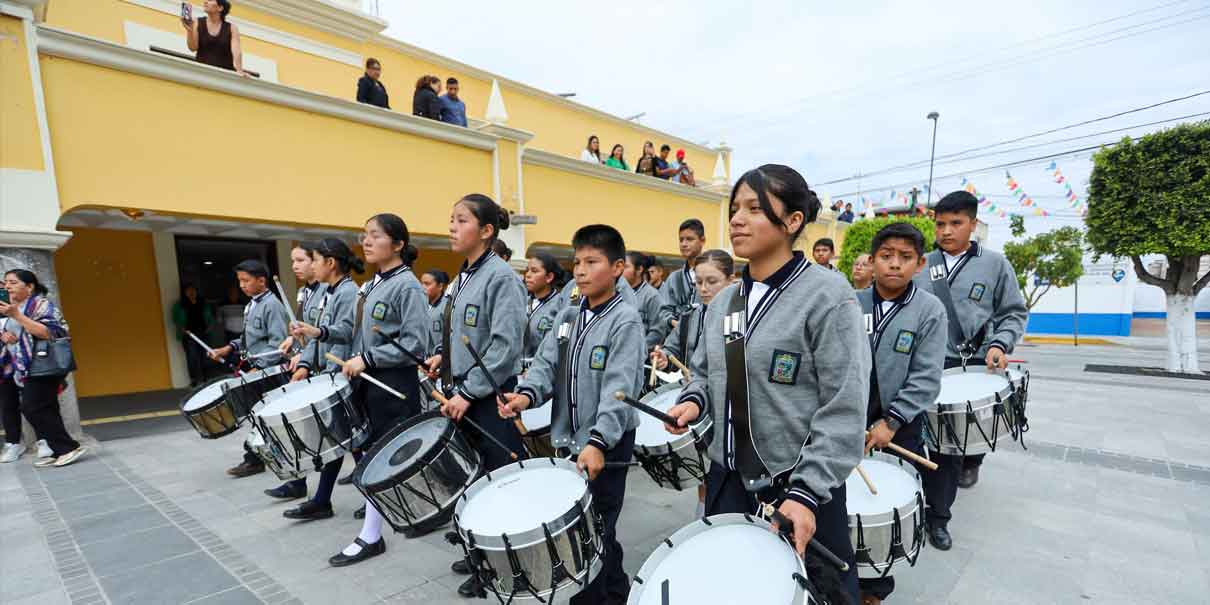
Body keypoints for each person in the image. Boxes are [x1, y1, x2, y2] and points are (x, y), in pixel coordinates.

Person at [664, 165, 869, 604]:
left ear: (793, 221)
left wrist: (808, 492)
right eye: (735, 208)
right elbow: (703, 370)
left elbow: (844, 407)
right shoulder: (722, 302)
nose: (737, 219)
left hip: (796, 488)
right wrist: (694, 401)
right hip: (729, 481)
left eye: (754, 209)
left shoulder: (828, 296)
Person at [502, 224, 643, 605]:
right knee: (595, 528)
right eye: (577, 262)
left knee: (591, 532)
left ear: (617, 268)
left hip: (606, 444)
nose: (580, 270)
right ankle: (619, 591)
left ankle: (594, 598)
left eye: (592, 262)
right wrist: (525, 397)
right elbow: (547, 364)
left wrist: (598, 442)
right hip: (569, 438)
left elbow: (620, 391)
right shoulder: (567, 315)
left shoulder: (625, 320)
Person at [423, 194, 527, 598]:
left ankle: (505, 566)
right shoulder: (464, 275)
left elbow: (504, 347)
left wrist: (468, 390)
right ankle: (481, 553)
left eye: (461, 220)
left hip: (488, 399)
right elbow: (467, 336)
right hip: (463, 392)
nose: (451, 226)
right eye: (450, 219)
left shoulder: (500, 277)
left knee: (496, 483)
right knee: (473, 480)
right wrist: (442, 359)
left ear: (486, 231)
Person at [911, 190, 1028, 551]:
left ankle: (938, 518)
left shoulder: (994, 264)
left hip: (976, 365)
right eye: (940, 224)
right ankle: (915, 506)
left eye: (955, 223)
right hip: (928, 367)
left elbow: (1013, 311)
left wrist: (1000, 343)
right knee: (921, 444)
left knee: (950, 448)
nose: (946, 231)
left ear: (973, 225)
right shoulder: (920, 264)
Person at [855, 223, 947, 605]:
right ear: (873, 260)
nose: (894, 264)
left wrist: (890, 421)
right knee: (845, 502)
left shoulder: (929, 310)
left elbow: (926, 378)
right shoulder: (851, 303)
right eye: (886, 256)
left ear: (920, 263)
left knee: (885, 506)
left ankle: (875, 588)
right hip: (850, 422)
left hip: (898, 428)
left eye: (905, 257)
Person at [283, 238, 367, 526]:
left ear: (330, 263)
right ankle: (323, 500)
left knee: (354, 441)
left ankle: (369, 498)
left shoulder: (348, 292)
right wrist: (306, 363)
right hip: (326, 375)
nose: (311, 265)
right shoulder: (325, 293)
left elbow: (344, 332)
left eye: (314, 260)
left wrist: (316, 331)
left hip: (342, 375)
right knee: (339, 440)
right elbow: (318, 338)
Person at [650, 249, 733, 518]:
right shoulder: (690, 316)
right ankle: (704, 518)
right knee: (703, 474)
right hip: (694, 402)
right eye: (698, 282)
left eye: (712, 281)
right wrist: (663, 359)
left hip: (725, 407)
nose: (704, 289)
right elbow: (672, 350)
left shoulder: (739, 317)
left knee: (720, 472)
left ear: (730, 280)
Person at [210, 259, 290, 478]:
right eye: (240, 281)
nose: (242, 285)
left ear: (261, 281)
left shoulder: (272, 305)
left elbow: (278, 343)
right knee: (257, 416)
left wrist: (260, 368)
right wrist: (228, 348)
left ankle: (260, 458)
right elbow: (248, 339)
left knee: (263, 416)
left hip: (269, 373)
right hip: (255, 370)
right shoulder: (252, 305)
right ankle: (256, 458)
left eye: (246, 280)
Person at [0, 270, 87, 467]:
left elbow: (49, 333)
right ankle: (59, 451)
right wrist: (5, 335)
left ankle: (68, 448)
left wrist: (16, 315)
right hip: (24, 365)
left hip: (44, 362)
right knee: (46, 407)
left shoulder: (41, 304)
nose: (7, 287)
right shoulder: (11, 308)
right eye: (5, 283)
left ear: (29, 287)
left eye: (13, 283)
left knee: (31, 407)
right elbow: (15, 334)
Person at [260, 242, 320, 501]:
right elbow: (303, 330)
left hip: (321, 368)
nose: (295, 266)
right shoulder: (305, 293)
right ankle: (299, 483)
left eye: (300, 260)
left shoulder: (328, 291)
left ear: (316, 262)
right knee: (307, 430)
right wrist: (292, 340)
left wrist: (305, 360)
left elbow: (324, 335)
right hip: (309, 365)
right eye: (292, 261)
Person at [658, 218, 705, 327]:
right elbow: (664, 311)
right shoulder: (674, 278)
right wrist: (675, 323)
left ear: (702, 240)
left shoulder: (714, 273)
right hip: (678, 338)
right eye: (681, 240)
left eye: (689, 239)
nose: (684, 244)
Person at [182, 0, 246, 75]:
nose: (205, 2)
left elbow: (236, 51)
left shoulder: (232, 28)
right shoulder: (197, 22)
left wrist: (239, 69)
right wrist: (189, 31)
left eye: (210, 0)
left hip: (224, 75)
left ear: (220, 8)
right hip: (202, 73)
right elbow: (193, 48)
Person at [522, 253, 566, 362]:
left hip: (541, 367)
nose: (528, 275)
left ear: (549, 277)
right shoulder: (522, 301)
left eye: (534, 271)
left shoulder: (560, 305)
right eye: (527, 270)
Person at [623, 252, 669, 350]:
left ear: (639, 269)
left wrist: (636, 349)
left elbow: (658, 332)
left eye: (626, 267)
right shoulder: (617, 293)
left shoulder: (652, 296)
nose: (621, 270)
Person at [173, 284, 214, 387]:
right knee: (192, 357)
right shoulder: (180, 305)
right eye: (188, 290)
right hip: (189, 335)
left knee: (205, 356)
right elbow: (176, 318)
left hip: (203, 333)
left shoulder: (203, 303)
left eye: (193, 290)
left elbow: (209, 316)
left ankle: (206, 377)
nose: (191, 292)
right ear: (185, 292)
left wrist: (210, 326)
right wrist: (181, 328)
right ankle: (194, 379)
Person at [420, 270, 450, 358]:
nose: (422, 287)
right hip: (423, 360)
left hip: (442, 359)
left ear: (440, 286)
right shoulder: (420, 304)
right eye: (421, 283)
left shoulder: (448, 306)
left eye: (427, 284)